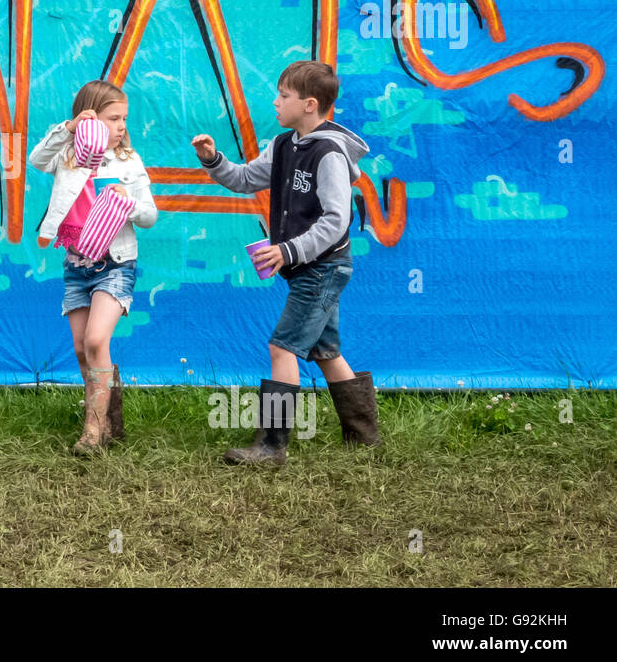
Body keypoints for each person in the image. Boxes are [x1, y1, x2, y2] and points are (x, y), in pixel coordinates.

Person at [192, 60, 380, 465]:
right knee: (326, 352)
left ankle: (270, 448)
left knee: (282, 347)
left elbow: (336, 219)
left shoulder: (328, 153)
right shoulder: (283, 145)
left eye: (284, 95)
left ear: (310, 104)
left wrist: (288, 250)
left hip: (325, 268)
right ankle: (365, 440)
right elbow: (244, 179)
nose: (276, 102)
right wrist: (213, 160)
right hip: (309, 269)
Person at [29, 80, 157, 454]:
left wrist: (128, 202)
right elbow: (37, 158)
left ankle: (92, 429)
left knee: (97, 340)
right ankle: (111, 426)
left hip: (116, 264)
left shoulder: (129, 161)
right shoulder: (70, 156)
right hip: (77, 266)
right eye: (112, 118)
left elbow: (149, 216)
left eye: (124, 119)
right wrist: (68, 130)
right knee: (82, 350)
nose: (121, 126)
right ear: (90, 120)